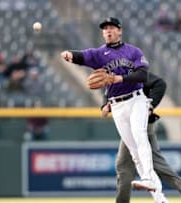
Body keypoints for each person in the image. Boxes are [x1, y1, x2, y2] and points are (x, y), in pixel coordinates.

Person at [61, 17, 168, 203]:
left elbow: (142, 75)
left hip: (136, 100)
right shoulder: (98, 54)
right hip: (117, 106)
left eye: (111, 28)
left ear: (119, 30)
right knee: (134, 154)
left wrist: (119, 79)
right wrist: (69, 54)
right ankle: (161, 199)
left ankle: (149, 177)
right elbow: (82, 56)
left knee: (139, 134)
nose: (108, 31)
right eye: (105, 29)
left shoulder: (133, 51)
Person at [101, 72, 181, 203]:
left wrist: (150, 105)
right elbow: (109, 91)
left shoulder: (133, 72)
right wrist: (105, 104)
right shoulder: (116, 72)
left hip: (140, 123)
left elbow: (160, 83)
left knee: (129, 165)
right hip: (131, 124)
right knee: (134, 164)